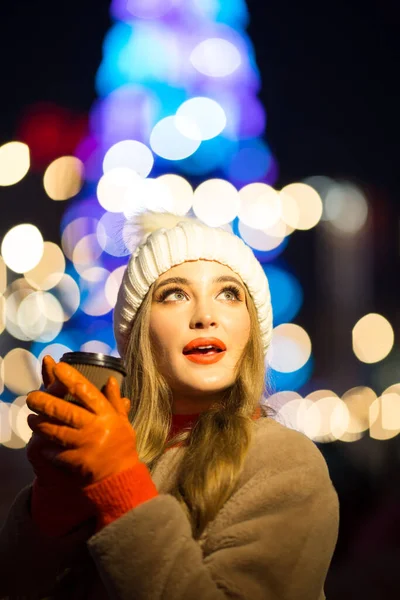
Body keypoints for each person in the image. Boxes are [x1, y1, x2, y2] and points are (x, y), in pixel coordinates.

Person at [0, 210, 339, 599]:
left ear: (252, 328)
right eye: (174, 294)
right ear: (139, 331)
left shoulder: (285, 459)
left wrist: (120, 487)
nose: (206, 316)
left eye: (229, 294)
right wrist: (52, 508)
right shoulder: (108, 447)